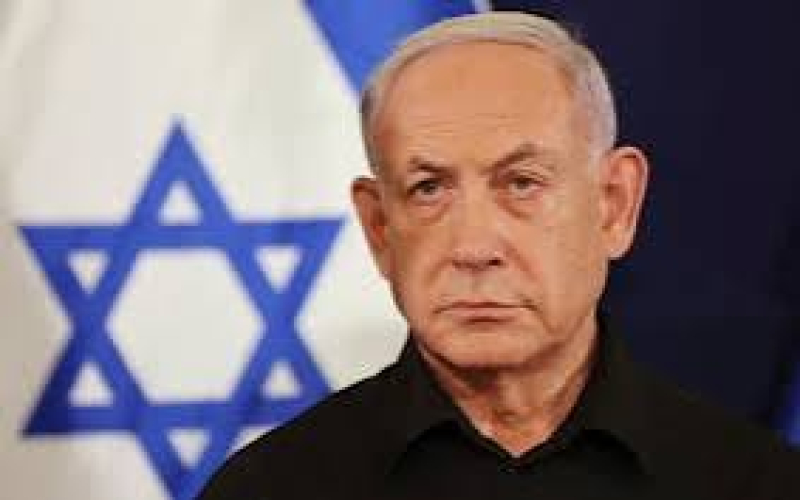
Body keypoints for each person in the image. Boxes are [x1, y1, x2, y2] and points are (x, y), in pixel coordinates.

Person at [199, 12, 799, 499]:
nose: (474, 247)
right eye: (428, 189)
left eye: (522, 184)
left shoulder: (753, 483)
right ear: (380, 228)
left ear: (614, 205)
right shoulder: (271, 488)